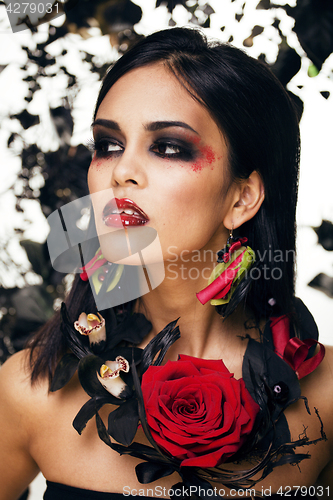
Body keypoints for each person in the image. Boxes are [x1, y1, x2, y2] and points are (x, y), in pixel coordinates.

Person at [0, 27, 332, 500]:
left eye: (169, 147)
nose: (120, 171)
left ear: (242, 198)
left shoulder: (327, 399)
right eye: (108, 144)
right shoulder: (29, 388)